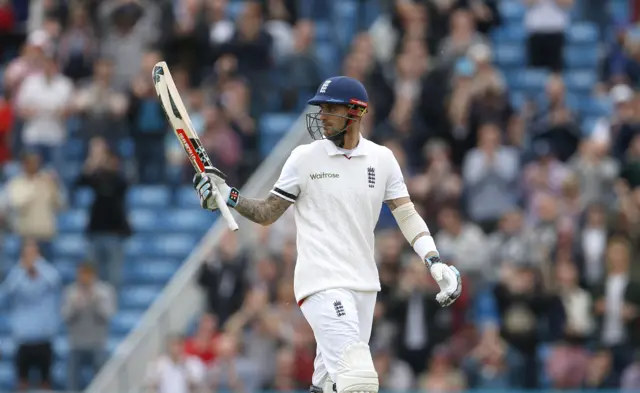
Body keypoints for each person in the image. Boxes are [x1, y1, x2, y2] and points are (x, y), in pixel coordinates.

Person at [192, 76, 462, 393]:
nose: (321, 116)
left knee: (330, 385)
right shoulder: (304, 158)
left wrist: (433, 261)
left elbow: (406, 214)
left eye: (330, 109)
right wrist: (230, 196)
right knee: (358, 379)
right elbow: (268, 212)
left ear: (355, 112)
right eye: (320, 109)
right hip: (321, 282)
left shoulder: (382, 159)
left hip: (364, 284)